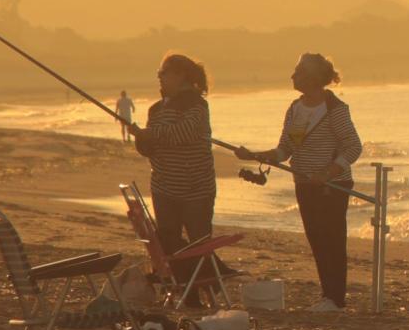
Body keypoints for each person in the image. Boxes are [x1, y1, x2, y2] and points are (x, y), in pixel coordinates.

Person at [236, 53, 361, 313]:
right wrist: (256, 155)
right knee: (316, 239)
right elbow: (286, 149)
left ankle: (335, 299)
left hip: (332, 187)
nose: (293, 77)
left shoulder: (334, 109)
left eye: (299, 73)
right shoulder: (296, 109)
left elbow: (352, 147)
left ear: (315, 78)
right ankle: (328, 296)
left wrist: (327, 173)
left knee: (332, 241)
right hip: (304, 185)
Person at [130, 54, 217, 304]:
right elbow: (150, 149)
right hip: (164, 187)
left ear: (180, 75)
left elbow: (184, 133)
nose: (159, 77)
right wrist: (142, 139)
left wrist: (150, 134)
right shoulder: (156, 109)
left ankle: (210, 291)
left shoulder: (197, 106)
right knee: (169, 241)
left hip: (196, 189)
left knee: (200, 241)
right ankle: (187, 295)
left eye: (164, 72)